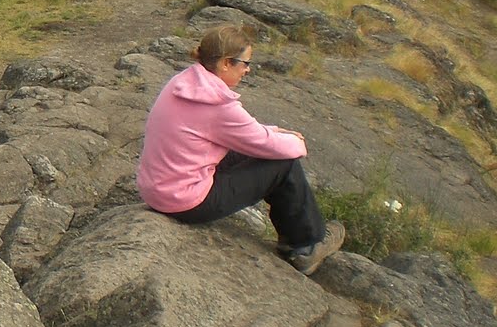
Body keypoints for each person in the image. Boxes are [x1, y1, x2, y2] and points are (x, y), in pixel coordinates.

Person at [136, 24, 344, 275]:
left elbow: (243, 133)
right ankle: (305, 246)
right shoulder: (218, 104)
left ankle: (299, 238)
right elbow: (261, 142)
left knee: (256, 149)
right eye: (244, 63)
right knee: (283, 163)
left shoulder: (184, 83)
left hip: (156, 190)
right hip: (185, 202)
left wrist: (276, 132)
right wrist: (297, 143)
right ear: (225, 63)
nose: (247, 70)